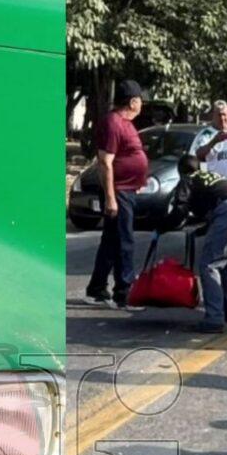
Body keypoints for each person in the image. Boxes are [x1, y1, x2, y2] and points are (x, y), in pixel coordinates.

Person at [169, 156, 227, 332]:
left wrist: (163, 226)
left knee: (209, 265)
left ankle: (214, 318)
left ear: (181, 171)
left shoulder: (188, 180)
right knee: (225, 262)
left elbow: (179, 210)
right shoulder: (211, 176)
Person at [86, 80, 149, 307]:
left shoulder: (126, 123)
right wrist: (111, 197)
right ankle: (124, 292)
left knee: (111, 241)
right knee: (124, 241)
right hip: (119, 192)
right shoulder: (113, 123)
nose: (142, 104)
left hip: (127, 189)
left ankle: (96, 288)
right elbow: (105, 161)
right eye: (140, 100)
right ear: (133, 102)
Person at [195, 101, 227, 189]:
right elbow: (199, 154)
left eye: (224, 114)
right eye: (219, 115)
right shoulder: (206, 134)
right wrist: (214, 141)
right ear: (213, 116)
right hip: (217, 189)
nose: (222, 118)